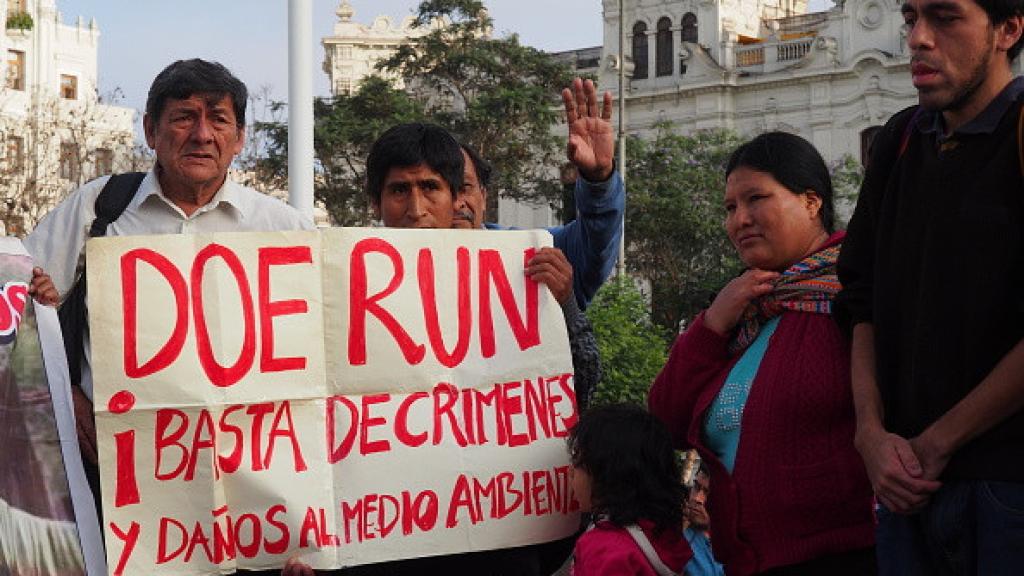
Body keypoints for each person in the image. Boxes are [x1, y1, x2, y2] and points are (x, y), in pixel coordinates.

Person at [283, 120, 596, 576]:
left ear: (457, 198)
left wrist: (563, 304)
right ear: (376, 202)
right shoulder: (333, 285)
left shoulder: (517, 275)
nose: (416, 208)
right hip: (380, 540)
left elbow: (580, 384)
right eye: (399, 190)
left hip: (499, 539)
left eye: (430, 188)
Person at [25, 58, 313, 514]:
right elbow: (18, 304)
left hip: (249, 476)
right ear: (150, 130)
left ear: (239, 138)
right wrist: (64, 396)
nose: (202, 135)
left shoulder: (284, 228)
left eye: (219, 120)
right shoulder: (99, 208)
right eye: (183, 117)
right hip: (114, 474)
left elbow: (322, 346)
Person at [836, 0, 1024, 571]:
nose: (918, 38)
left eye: (945, 17)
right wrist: (870, 433)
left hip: (1006, 489)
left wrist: (939, 441)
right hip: (905, 494)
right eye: (911, 17)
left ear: (1008, 29)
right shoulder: (900, 140)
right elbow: (859, 298)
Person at [648, 132, 875, 575]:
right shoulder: (746, 313)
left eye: (756, 199)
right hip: (748, 561)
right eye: (730, 208)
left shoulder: (857, 291)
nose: (740, 220)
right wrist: (711, 325)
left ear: (811, 201)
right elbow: (666, 421)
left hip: (848, 555)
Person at [453, 78, 625, 311]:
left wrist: (598, 179)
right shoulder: (400, 265)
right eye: (438, 189)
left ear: (483, 196)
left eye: (465, 187)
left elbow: (593, 243)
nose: (457, 204)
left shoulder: (532, 254)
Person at [568, 403, 691, 576]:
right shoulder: (662, 535)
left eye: (577, 461)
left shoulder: (604, 552)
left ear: (606, 473)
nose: (570, 471)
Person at [681, 466, 724, 576]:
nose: (697, 498)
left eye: (707, 493)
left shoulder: (737, 547)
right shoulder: (677, 539)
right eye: (696, 487)